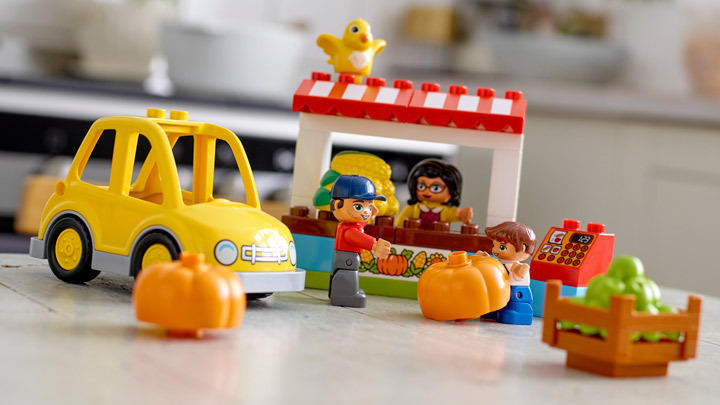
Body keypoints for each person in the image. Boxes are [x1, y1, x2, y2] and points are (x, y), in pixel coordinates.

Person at [329, 175, 392, 307]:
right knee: (348, 275)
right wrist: (374, 245)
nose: (365, 212)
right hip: (347, 259)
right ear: (337, 205)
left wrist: (371, 215)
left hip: (348, 259)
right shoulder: (348, 230)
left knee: (349, 274)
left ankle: (346, 293)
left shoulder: (351, 225)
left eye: (369, 206)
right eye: (358, 206)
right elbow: (357, 237)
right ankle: (346, 295)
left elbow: (360, 226)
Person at [477, 221, 536, 325]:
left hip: (514, 293)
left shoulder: (517, 266)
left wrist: (519, 271)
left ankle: (514, 313)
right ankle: (492, 311)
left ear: (523, 248)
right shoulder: (501, 262)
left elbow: (520, 273)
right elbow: (494, 267)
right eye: (494, 245)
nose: (495, 250)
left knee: (511, 305)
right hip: (499, 291)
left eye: (502, 247)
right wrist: (485, 259)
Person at [396, 159, 473, 229]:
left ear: (451, 192)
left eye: (435, 188)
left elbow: (457, 214)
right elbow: (400, 223)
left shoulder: (446, 211)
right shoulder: (413, 208)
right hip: (414, 236)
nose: (427, 192)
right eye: (421, 186)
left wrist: (463, 214)